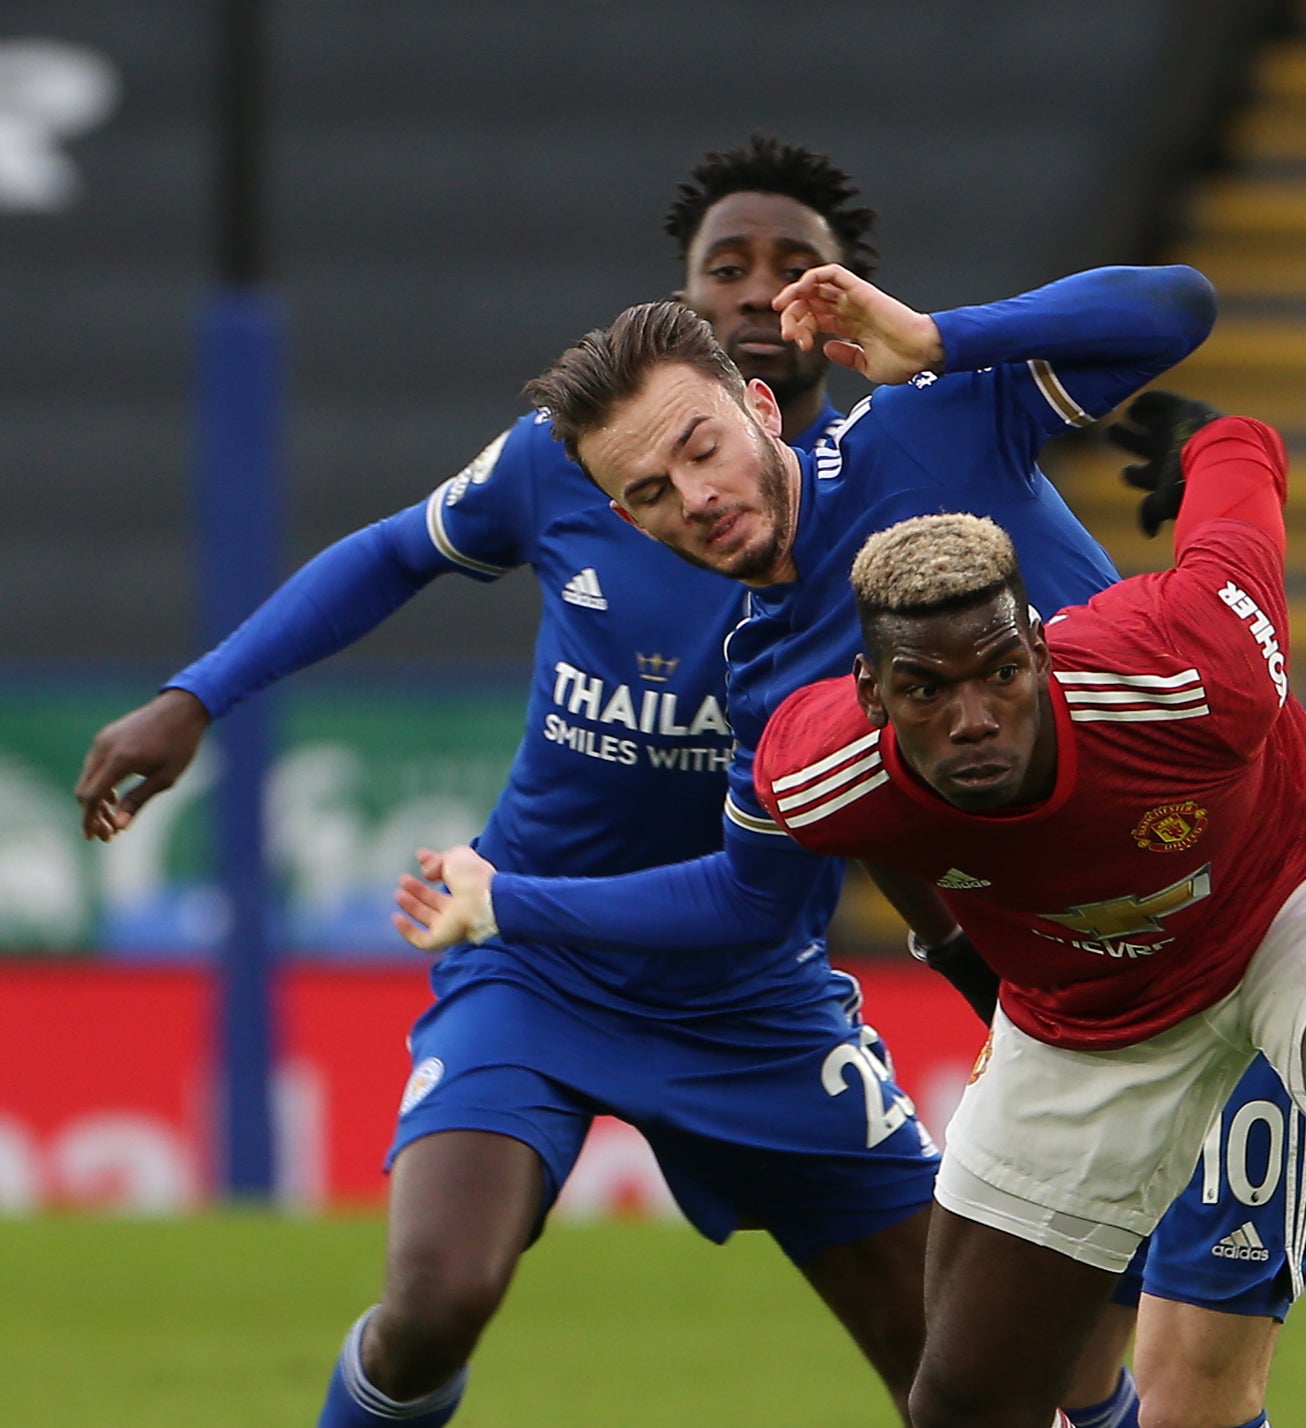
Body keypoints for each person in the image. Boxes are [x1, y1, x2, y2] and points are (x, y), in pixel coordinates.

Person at [75, 138, 939, 1428]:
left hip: (754, 992)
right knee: (433, 1301)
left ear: (842, 300)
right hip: (532, 964)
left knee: (957, 1374)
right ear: (684, 301)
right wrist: (194, 693)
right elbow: (383, 557)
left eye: (793, 267)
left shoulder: (890, 500)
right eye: (727, 267)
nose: (760, 292)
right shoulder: (563, 460)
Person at [392, 259, 1306, 1428]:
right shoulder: (767, 678)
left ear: (761, 405)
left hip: (1234, 920)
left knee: (1192, 1379)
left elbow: (1176, 309)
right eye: (643, 493)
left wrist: (940, 335)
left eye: (697, 447)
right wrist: (509, 904)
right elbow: (747, 900)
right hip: (1074, 1010)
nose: (690, 496)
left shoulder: (921, 432)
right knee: (1052, 1375)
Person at [750, 417, 1306, 1428]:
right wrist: (948, 944)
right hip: (1091, 1003)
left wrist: (1213, 443)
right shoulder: (814, 776)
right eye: (926, 690)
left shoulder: (1187, 667)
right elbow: (818, 864)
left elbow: (1242, 497)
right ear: (870, 696)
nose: (975, 716)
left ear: (1040, 650)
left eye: (999, 671)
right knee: (961, 1401)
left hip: (1299, 893)